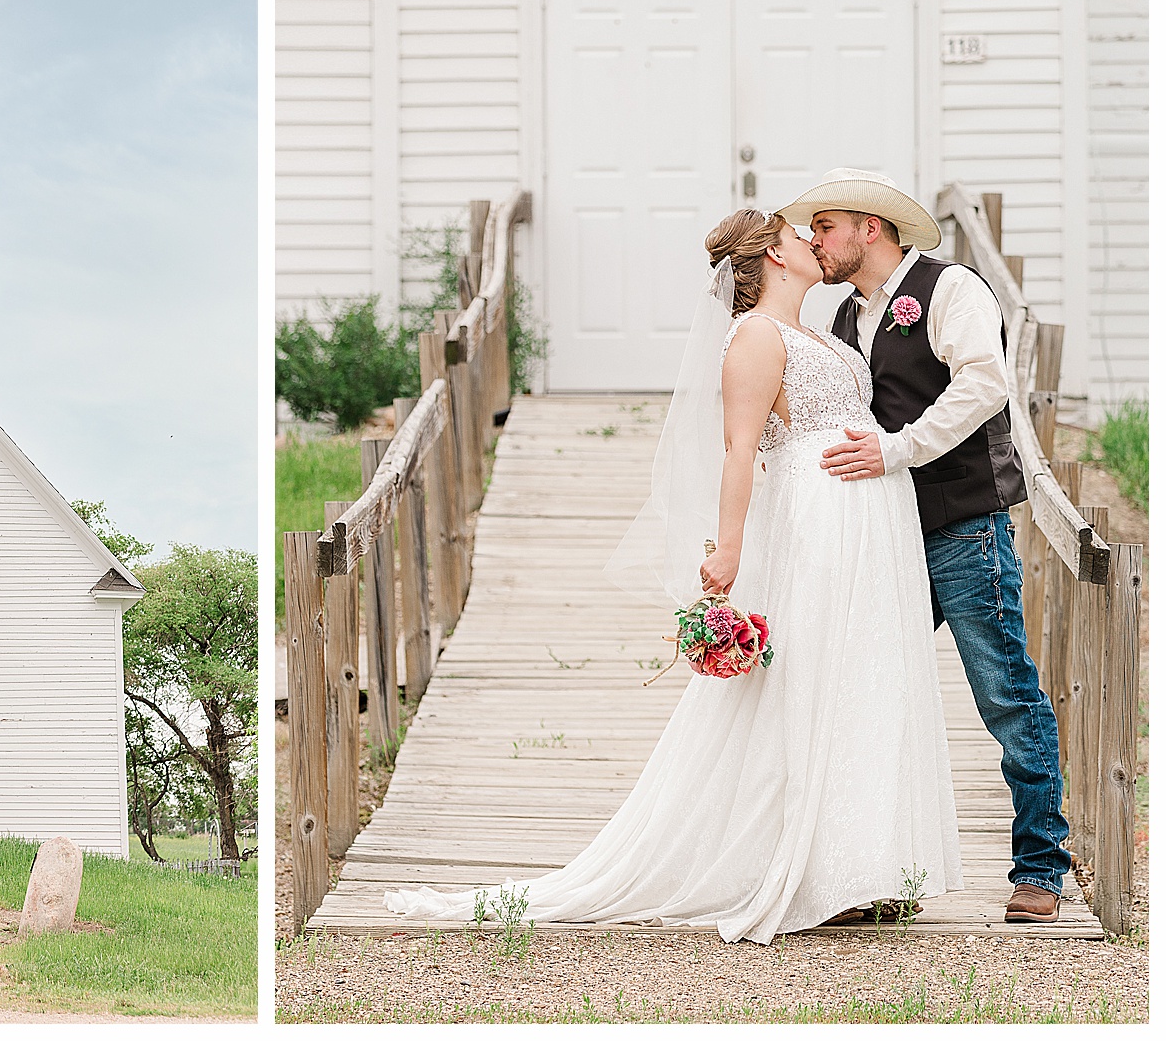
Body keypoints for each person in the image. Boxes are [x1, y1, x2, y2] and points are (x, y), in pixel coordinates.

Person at [385, 209, 962, 944]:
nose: (816, 245)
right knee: (817, 682)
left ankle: (865, 867)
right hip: (818, 520)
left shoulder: (823, 332)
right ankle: (813, 871)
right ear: (773, 258)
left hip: (870, 523)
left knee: (865, 684)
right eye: (800, 237)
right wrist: (728, 549)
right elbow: (739, 448)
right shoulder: (753, 337)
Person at [782, 167, 1071, 924]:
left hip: (962, 527)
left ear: (868, 229)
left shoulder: (952, 290)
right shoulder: (844, 317)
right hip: (878, 541)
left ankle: (1040, 868)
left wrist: (899, 449)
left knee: (1005, 693)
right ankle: (868, 877)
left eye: (825, 227)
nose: (816, 241)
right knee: (867, 697)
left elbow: (985, 384)